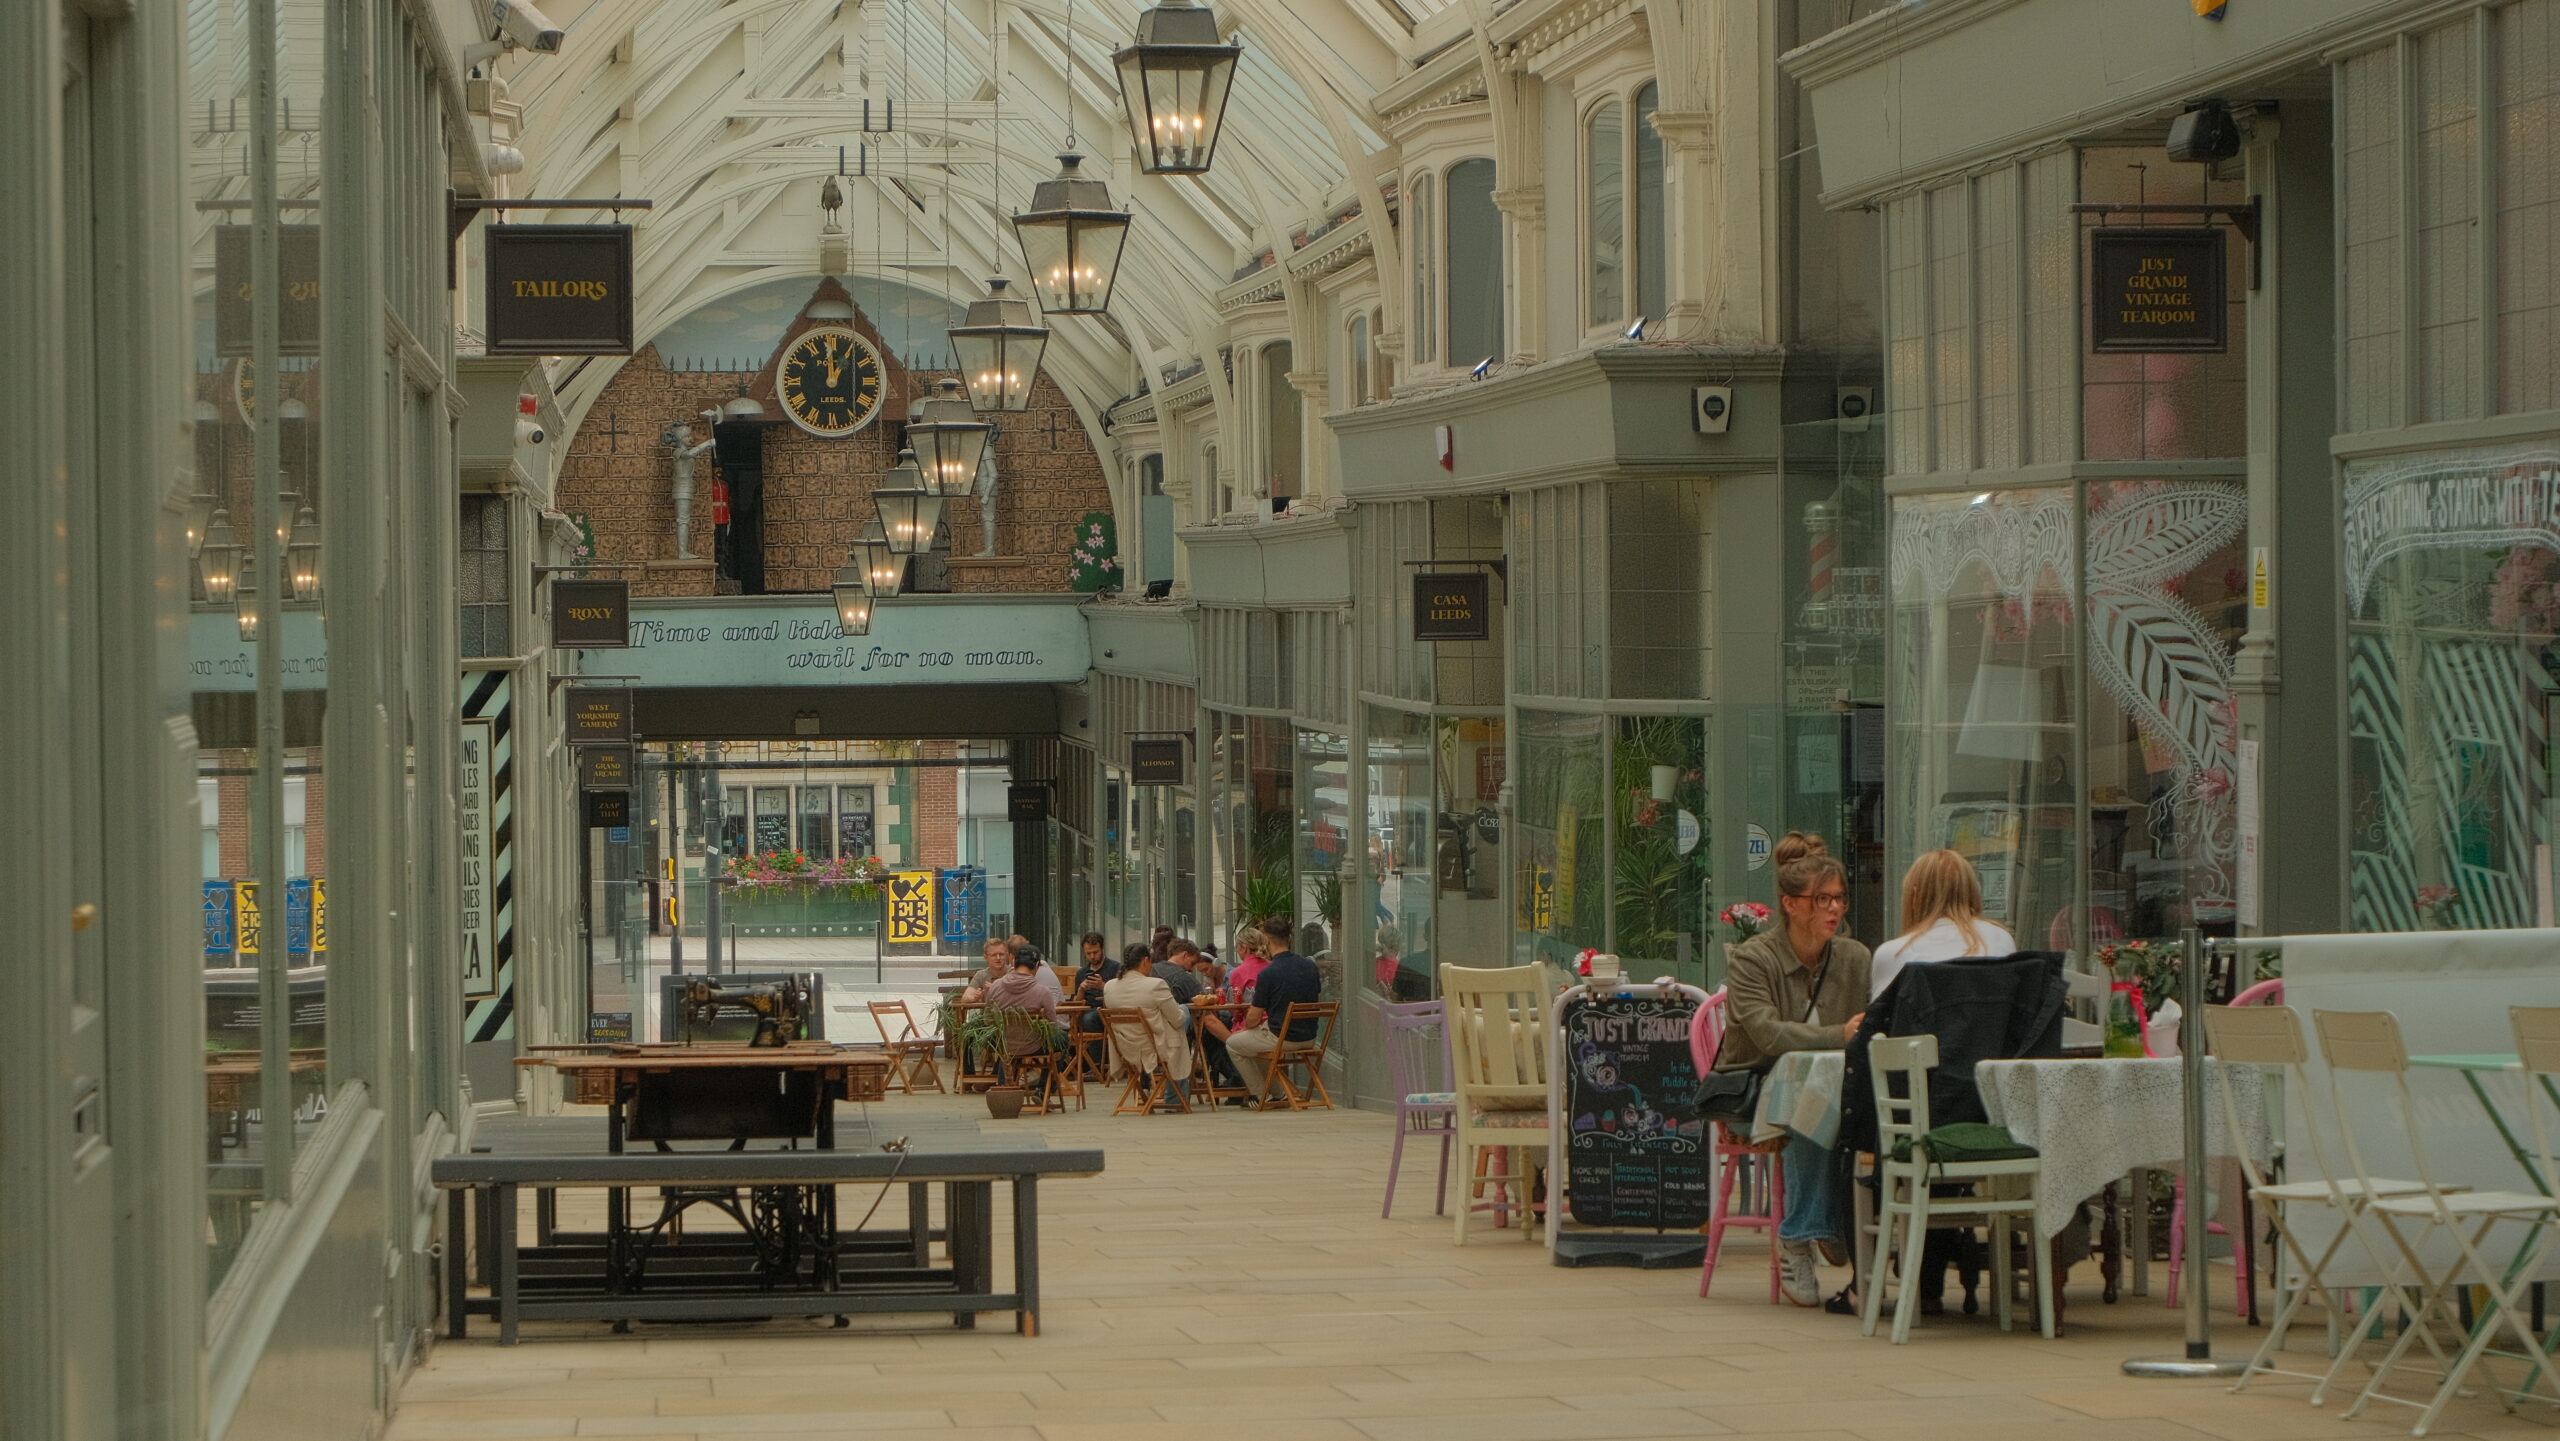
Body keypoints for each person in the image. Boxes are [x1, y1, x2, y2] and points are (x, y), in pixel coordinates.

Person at [1715, 846, 1870, 1307]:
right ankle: (1802, 1236)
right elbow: (1766, 1035)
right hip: (1753, 1091)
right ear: (1790, 903)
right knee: (1810, 1094)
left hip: (1835, 1089)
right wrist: (1838, 1035)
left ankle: (1830, 1222)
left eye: (1839, 898)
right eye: (1821, 899)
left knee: (1837, 1100)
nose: (1834, 908)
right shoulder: (1752, 959)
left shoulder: (1855, 957)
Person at [1869, 849, 2017, 1001]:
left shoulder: (1895, 952)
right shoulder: (2002, 939)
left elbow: (1881, 1021)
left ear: (1914, 896)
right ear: (1973, 892)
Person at [1226, 918, 1322, 1103]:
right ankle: (1278, 1094)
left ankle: (1261, 1094)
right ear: (1289, 938)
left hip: (1282, 1037)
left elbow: (1253, 1016)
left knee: (1234, 1044)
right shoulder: (1310, 966)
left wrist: (1249, 1027)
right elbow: (1317, 1000)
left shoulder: (1269, 973)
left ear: (1267, 941)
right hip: (1309, 1036)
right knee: (1258, 1043)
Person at [1102, 947, 1193, 1103]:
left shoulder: (1109, 986)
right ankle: (1175, 1096)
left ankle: (1173, 1094)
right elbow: (1177, 1019)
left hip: (1125, 1047)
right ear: (1145, 961)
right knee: (1183, 1014)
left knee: (1169, 1022)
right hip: (1153, 1047)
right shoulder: (1155, 985)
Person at [980, 946, 1063, 1077]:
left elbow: (988, 1020)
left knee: (1005, 1053)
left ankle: (1004, 1089)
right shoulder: (1042, 992)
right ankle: (1043, 1089)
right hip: (1034, 1046)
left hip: (1004, 1045)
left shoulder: (995, 987)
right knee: (1062, 1041)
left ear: (1013, 962)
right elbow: (1052, 1026)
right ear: (1037, 965)